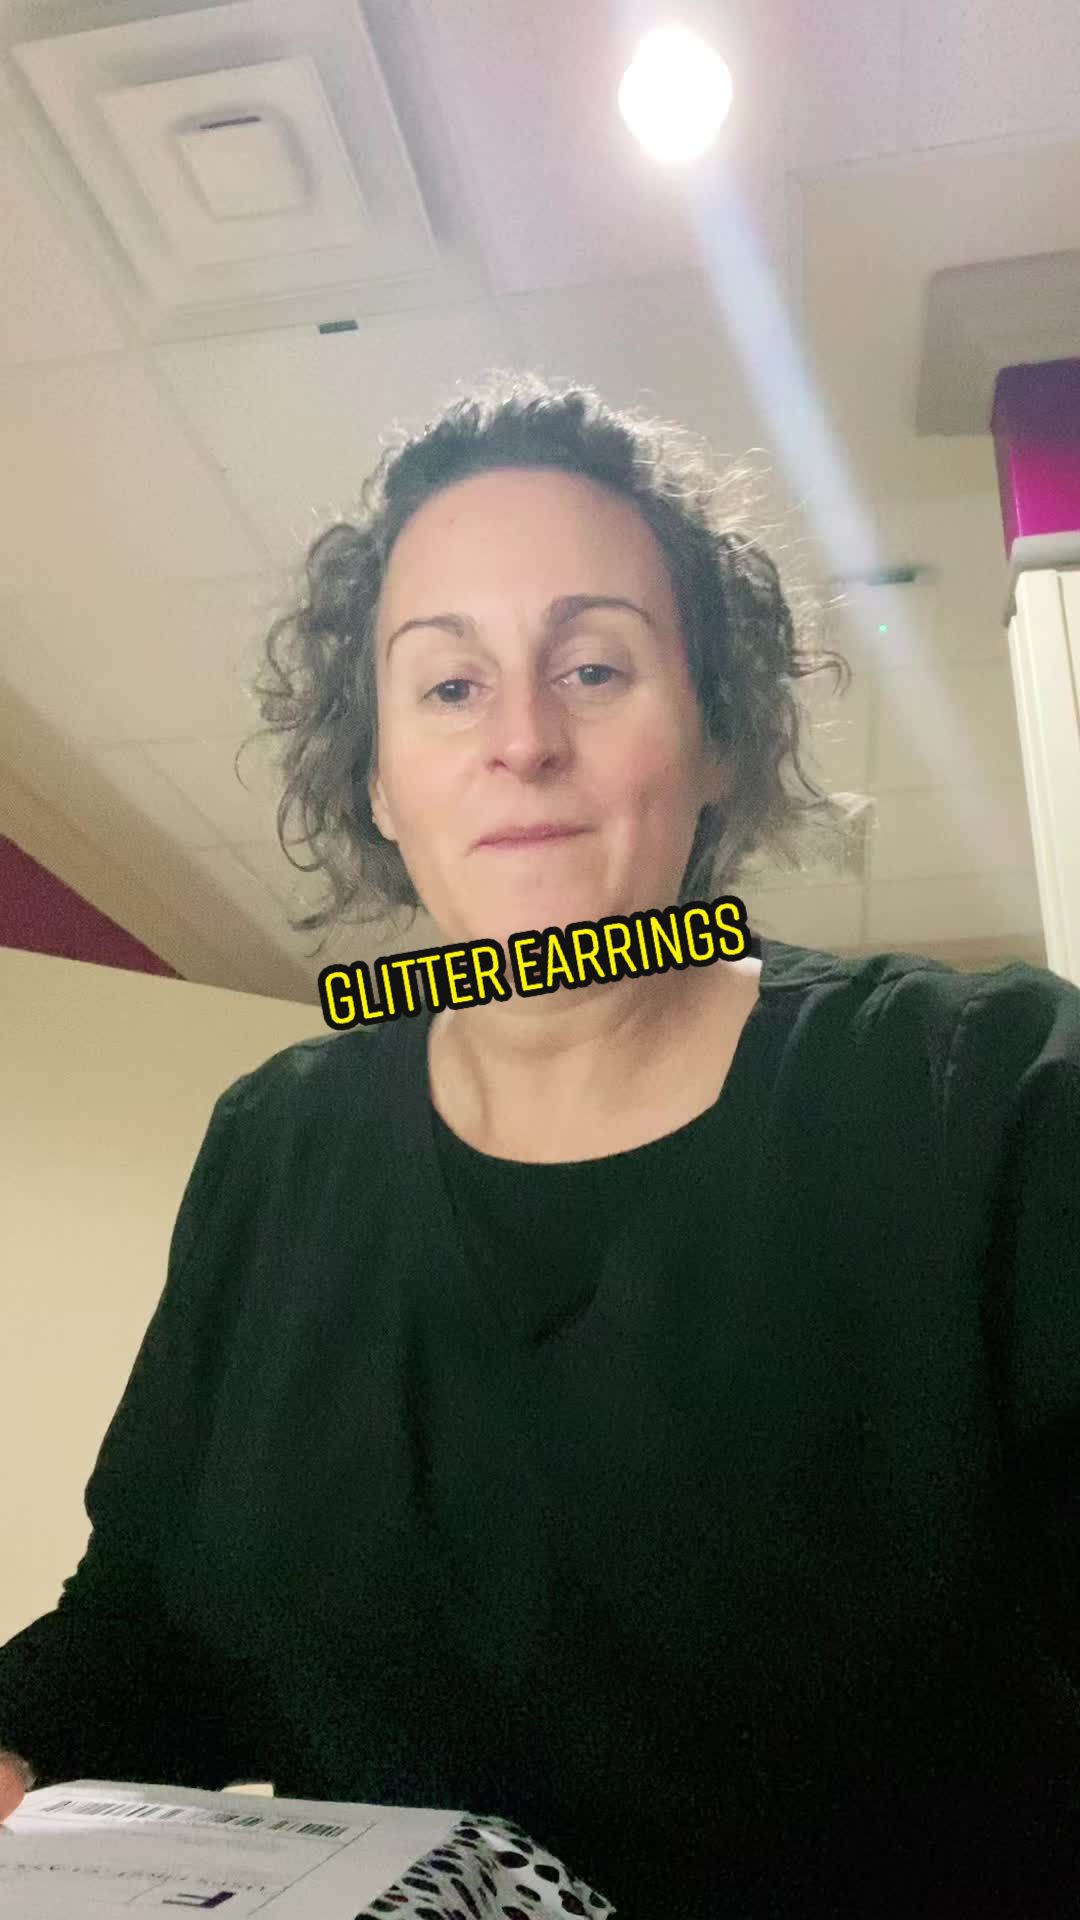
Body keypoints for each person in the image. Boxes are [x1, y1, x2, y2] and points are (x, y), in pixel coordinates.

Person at [2, 372, 1079, 1919]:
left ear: (717, 733)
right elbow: (155, 1625)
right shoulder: (276, 1142)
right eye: (449, 686)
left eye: (592, 667)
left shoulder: (988, 1093)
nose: (522, 739)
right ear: (379, 779)